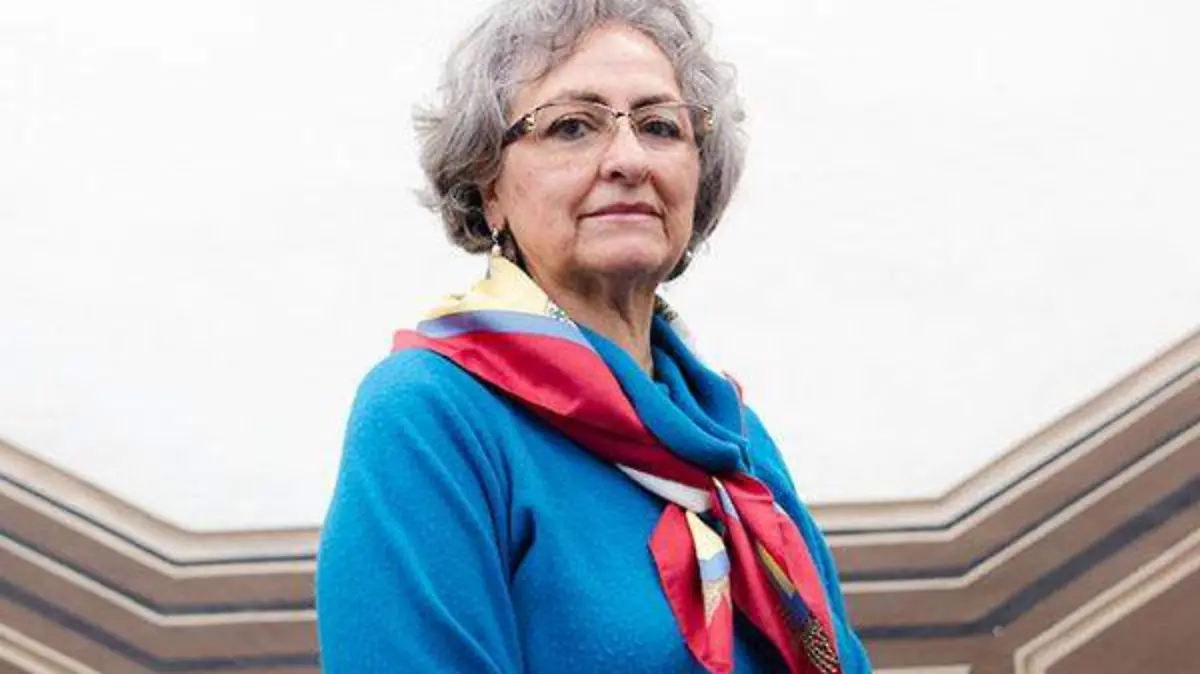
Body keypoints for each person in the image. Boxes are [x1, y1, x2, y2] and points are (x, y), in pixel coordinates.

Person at [316, 0, 872, 671]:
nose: (629, 159)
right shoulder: (430, 415)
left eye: (660, 126)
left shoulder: (733, 436)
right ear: (489, 188)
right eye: (572, 126)